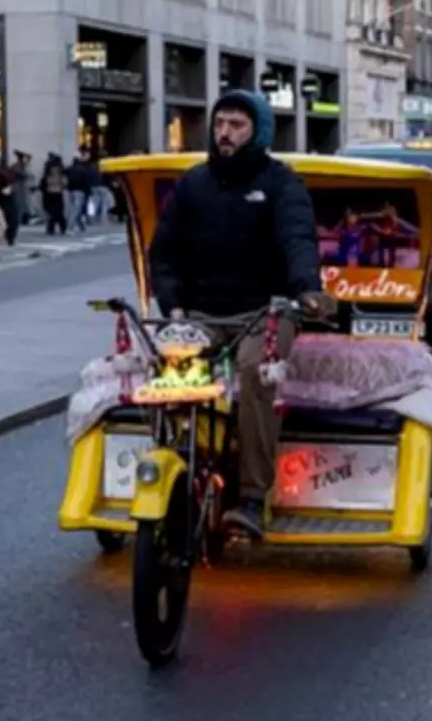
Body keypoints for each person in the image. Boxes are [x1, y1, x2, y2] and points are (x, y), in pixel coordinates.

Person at [149, 88, 324, 537]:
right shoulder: (192, 184)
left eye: (237, 125)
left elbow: (297, 239)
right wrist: (173, 305)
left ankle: (251, 495)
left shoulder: (282, 183)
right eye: (220, 123)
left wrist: (306, 289)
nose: (224, 133)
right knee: (167, 363)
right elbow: (164, 254)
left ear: (258, 131)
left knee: (255, 371)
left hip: (266, 311)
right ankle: (176, 462)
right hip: (202, 312)